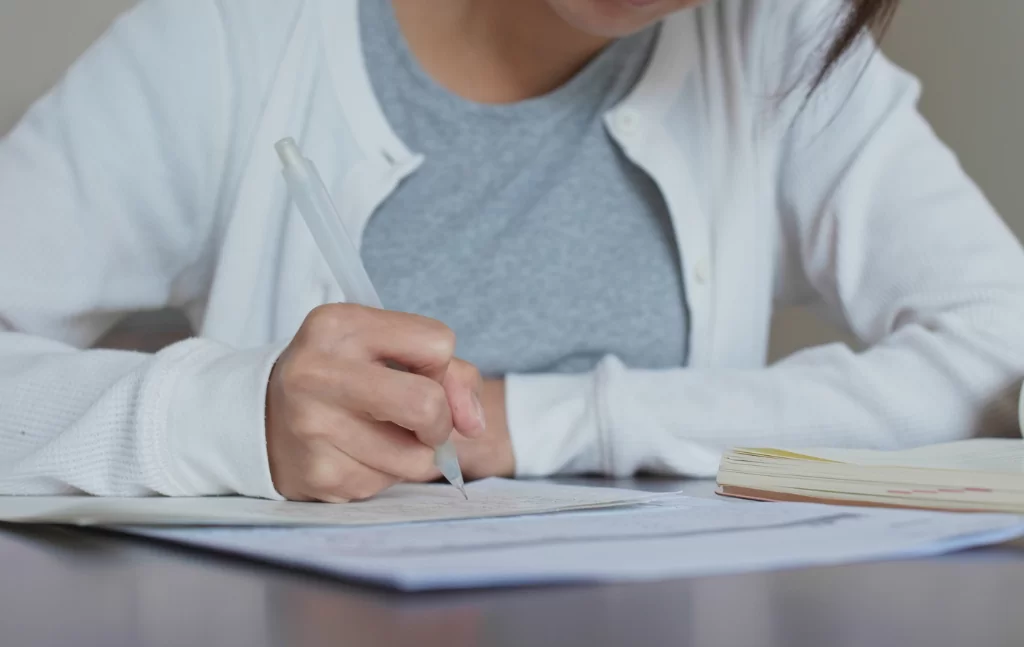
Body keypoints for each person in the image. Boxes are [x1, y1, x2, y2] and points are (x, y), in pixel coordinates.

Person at [1, 0, 1022, 503]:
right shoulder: (232, 37)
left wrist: (547, 419)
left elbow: (996, 344)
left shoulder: (779, 41)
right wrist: (227, 416)